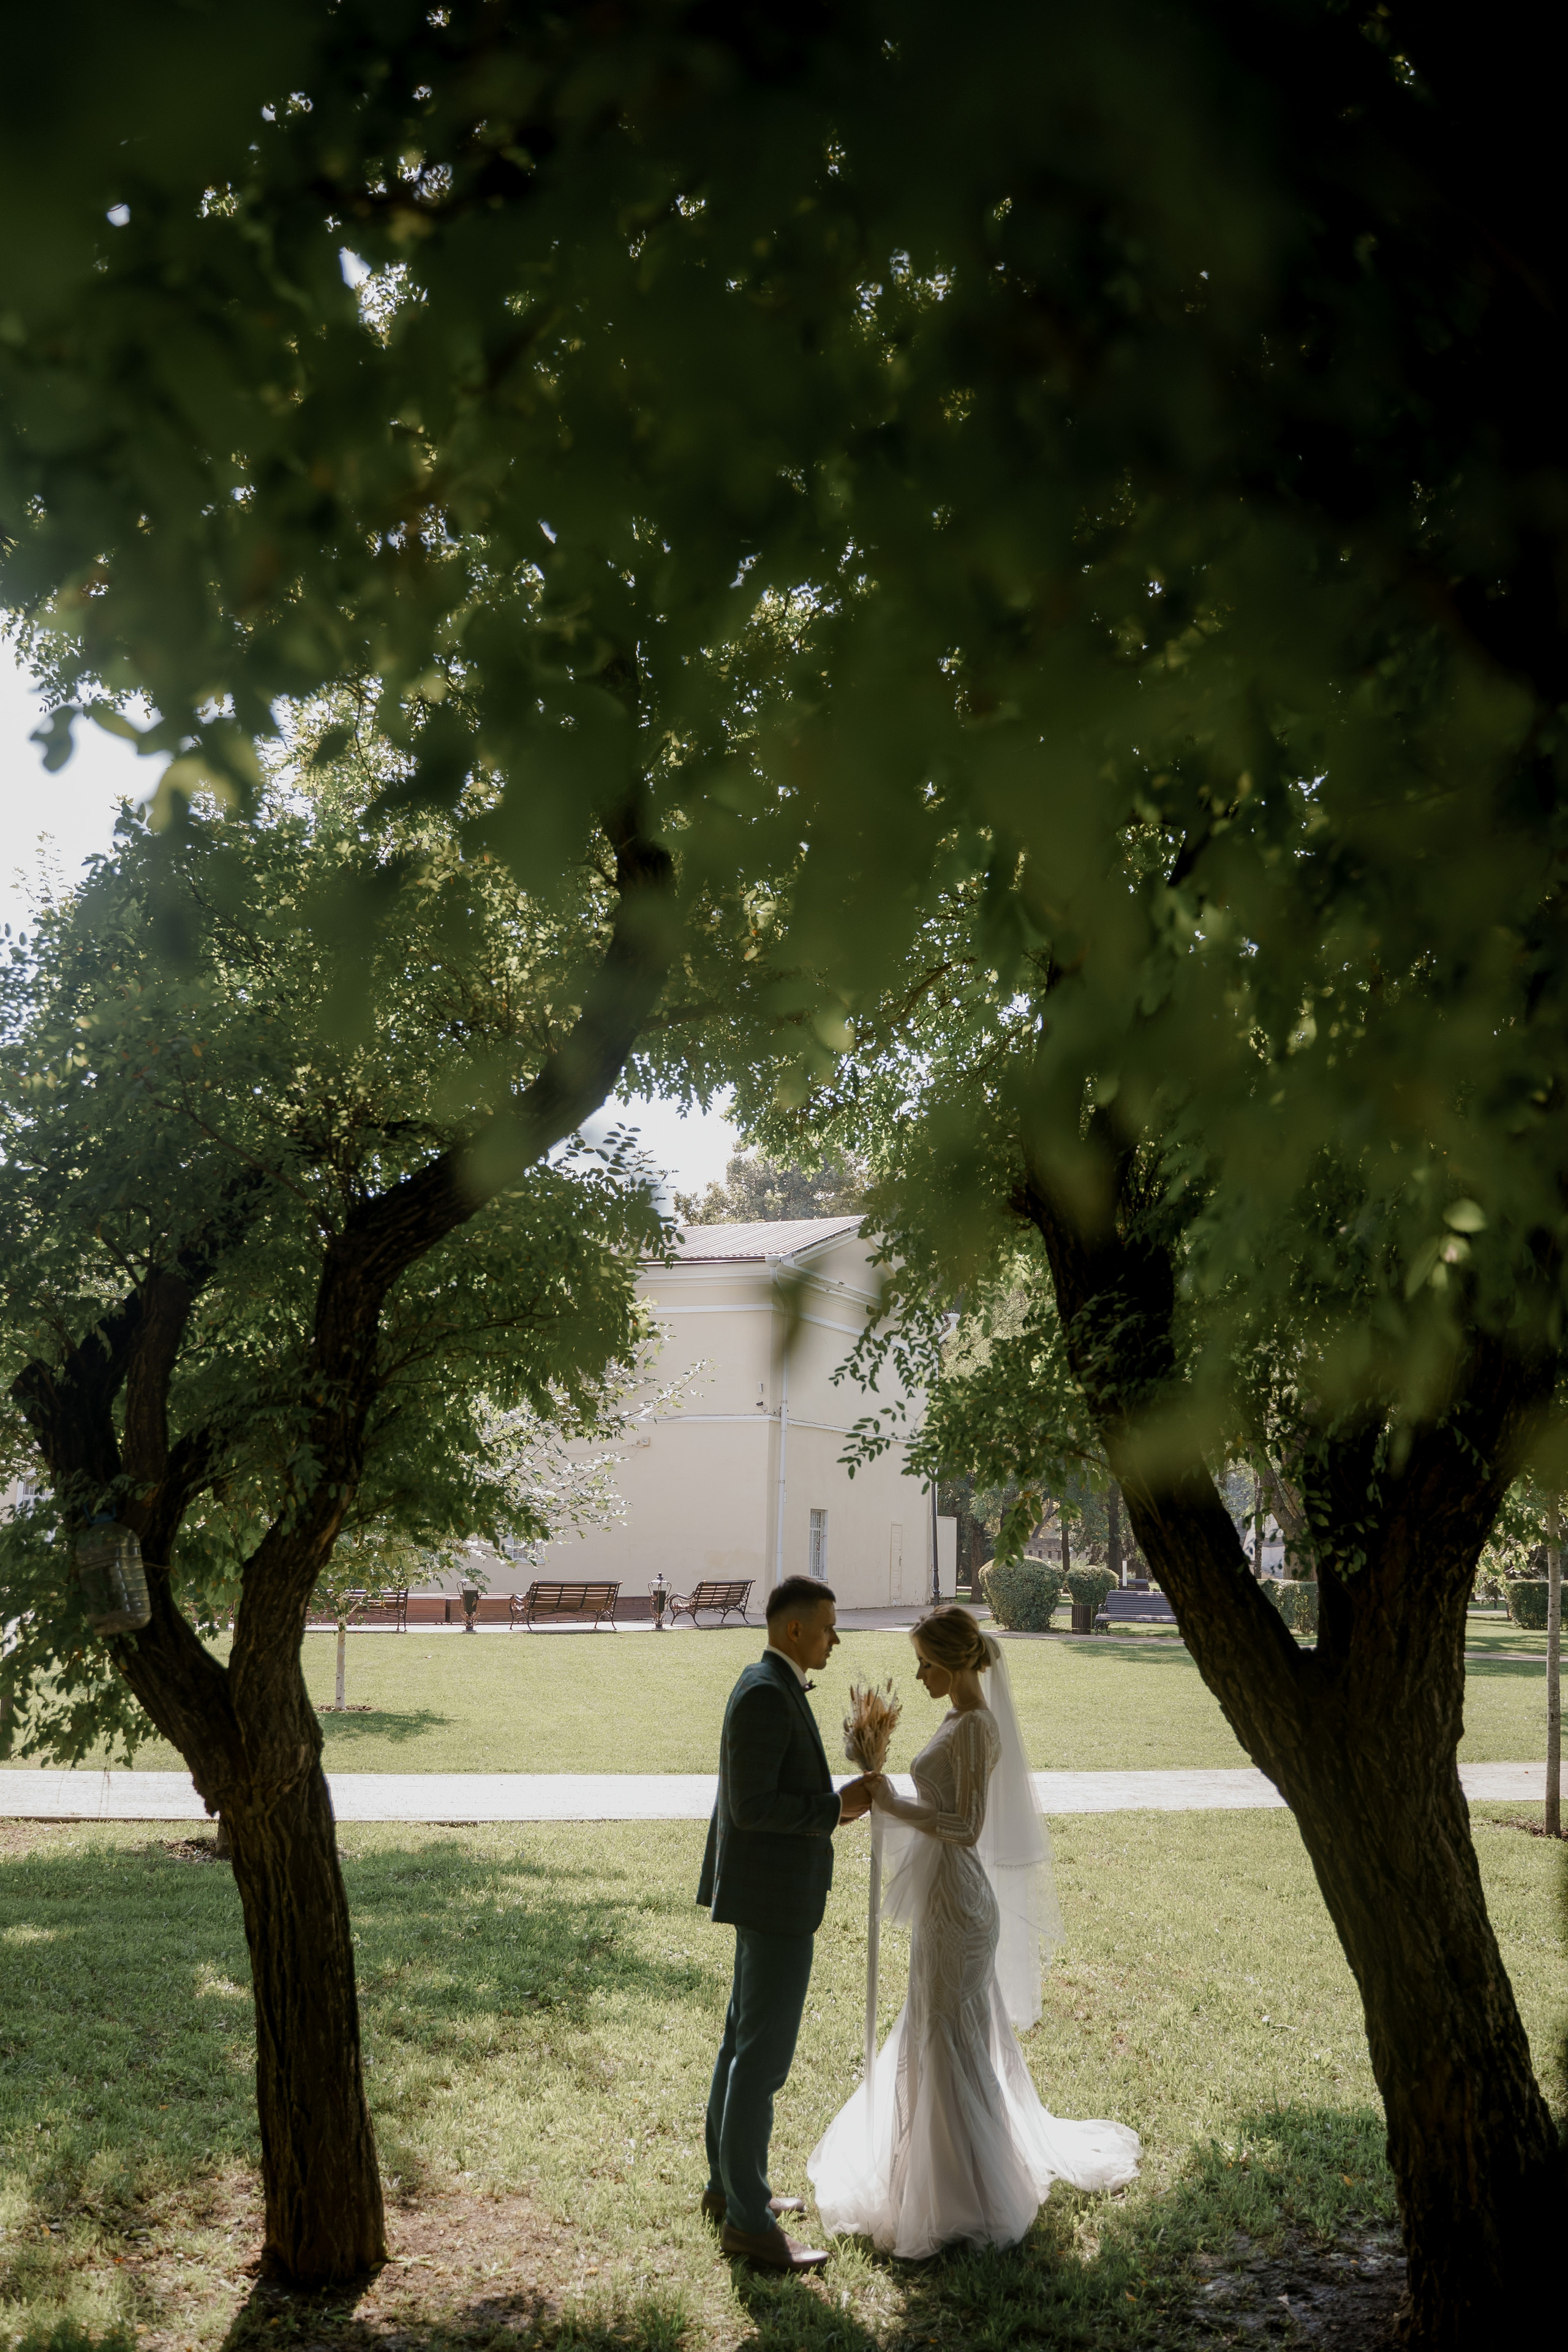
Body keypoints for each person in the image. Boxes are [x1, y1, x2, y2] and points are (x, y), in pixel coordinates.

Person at [807, 1605, 1140, 2258]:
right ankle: (926, 2178)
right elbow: (942, 1806)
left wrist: (889, 1801)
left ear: (955, 1661)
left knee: (948, 2036)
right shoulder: (955, 1717)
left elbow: (964, 1827)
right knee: (935, 2032)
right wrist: (887, 1783)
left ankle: (972, 2194)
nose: (919, 1674)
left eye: (926, 1663)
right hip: (943, 1902)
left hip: (960, 1906)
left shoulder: (978, 1727)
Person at [698, 1574, 874, 2272]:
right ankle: (747, 2221)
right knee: (760, 2063)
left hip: (768, 1898)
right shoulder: (767, 1693)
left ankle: (729, 2189)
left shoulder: (772, 1683)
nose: (836, 1639)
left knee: (741, 2047)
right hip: (772, 1901)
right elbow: (751, 1807)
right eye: (829, 1627)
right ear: (794, 1629)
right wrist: (840, 1808)